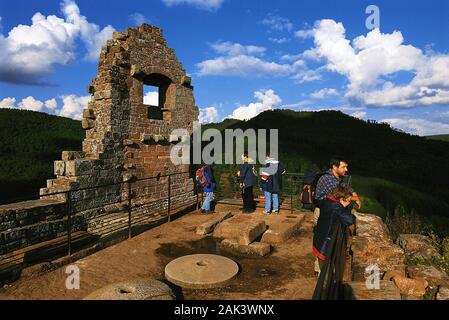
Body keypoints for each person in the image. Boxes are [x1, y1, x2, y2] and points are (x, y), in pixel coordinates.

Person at [312, 186, 356, 274]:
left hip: (319, 238)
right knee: (326, 270)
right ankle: (325, 284)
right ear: (342, 199)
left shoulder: (327, 200)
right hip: (326, 243)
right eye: (348, 201)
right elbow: (350, 219)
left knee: (323, 266)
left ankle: (321, 276)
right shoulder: (337, 207)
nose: (349, 204)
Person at [313, 156, 362, 226]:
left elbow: (348, 188)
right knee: (325, 234)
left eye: (346, 167)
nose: (346, 169)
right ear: (334, 167)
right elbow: (339, 194)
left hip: (331, 208)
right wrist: (355, 198)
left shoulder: (337, 177)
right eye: (343, 167)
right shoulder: (327, 178)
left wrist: (355, 195)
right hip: (323, 210)